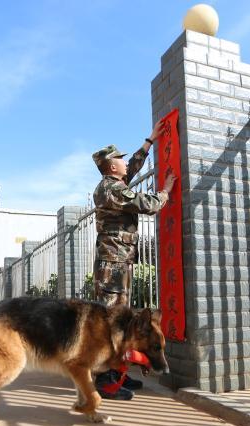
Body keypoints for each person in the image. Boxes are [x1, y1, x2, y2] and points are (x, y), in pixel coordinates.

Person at [90, 120, 176, 400]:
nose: (126, 164)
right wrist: (166, 191)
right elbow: (146, 205)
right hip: (112, 266)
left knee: (119, 322)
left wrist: (149, 141)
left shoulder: (113, 185)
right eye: (121, 160)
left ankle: (114, 372)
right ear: (111, 166)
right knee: (110, 324)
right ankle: (104, 380)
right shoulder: (111, 190)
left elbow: (135, 168)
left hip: (118, 263)